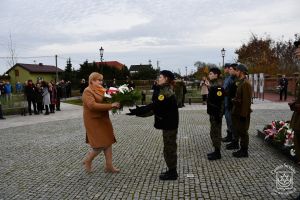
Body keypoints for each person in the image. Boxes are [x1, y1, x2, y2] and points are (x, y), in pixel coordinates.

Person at [127, 70, 179, 180]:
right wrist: (139, 111)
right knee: (169, 147)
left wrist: (139, 112)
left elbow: (155, 107)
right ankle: (171, 170)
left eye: (160, 77)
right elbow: (156, 106)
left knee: (169, 148)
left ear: (166, 79)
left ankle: (172, 173)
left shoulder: (165, 91)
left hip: (169, 124)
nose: (158, 78)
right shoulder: (163, 89)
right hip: (169, 123)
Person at [82, 72, 120, 173]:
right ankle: (88, 160)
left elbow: (110, 96)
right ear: (92, 81)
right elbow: (92, 106)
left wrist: (121, 94)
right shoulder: (87, 91)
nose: (101, 82)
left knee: (108, 142)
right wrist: (111, 105)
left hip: (103, 118)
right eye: (99, 80)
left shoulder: (101, 89)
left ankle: (109, 166)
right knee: (99, 145)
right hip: (93, 120)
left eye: (101, 80)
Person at [229, 64, 252, 158]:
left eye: (237, 71)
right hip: (238, 111)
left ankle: (244, 151)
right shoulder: (241, 82)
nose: (236, 72)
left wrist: (243, 115)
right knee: (240, 130)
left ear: (241, 72)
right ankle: (242, 149)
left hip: (242, 113)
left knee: (243, 132)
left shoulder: (245, 83)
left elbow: (246, 101)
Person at [206, 68, 224, 160]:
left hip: (216, 113)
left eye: (211, 74)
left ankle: (218, 153)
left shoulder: (218, 86)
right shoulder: (213, 85)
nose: (209, 75)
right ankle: (216, 150)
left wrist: (217, 115)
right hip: (213, 112)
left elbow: (218, 101)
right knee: (213, 132)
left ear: (216, 75)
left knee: (216, 132)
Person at [222, 63, 237, 143]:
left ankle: (234, 138)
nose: (225, 70)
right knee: (228, 120)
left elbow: (229, 91)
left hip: (230, 103)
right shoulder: (227, 78)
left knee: (231, 121)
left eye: (226, 68)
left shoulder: (233, 79)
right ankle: (230, 135)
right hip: (226, 102)